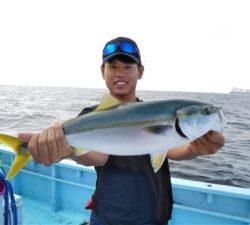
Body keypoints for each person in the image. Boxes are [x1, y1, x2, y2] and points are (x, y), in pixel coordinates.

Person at [18, 37, 225, 225]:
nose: (120, 73)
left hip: (153, 216)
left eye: (128, 66)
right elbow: (97, 157)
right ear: (103, 72)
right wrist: (67, 149)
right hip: (107, 216)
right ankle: (21, 150)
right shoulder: (89, 116)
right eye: (113, 66)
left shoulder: (154, 113)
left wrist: (196, 148)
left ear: (140, 71)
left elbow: (173, 150)